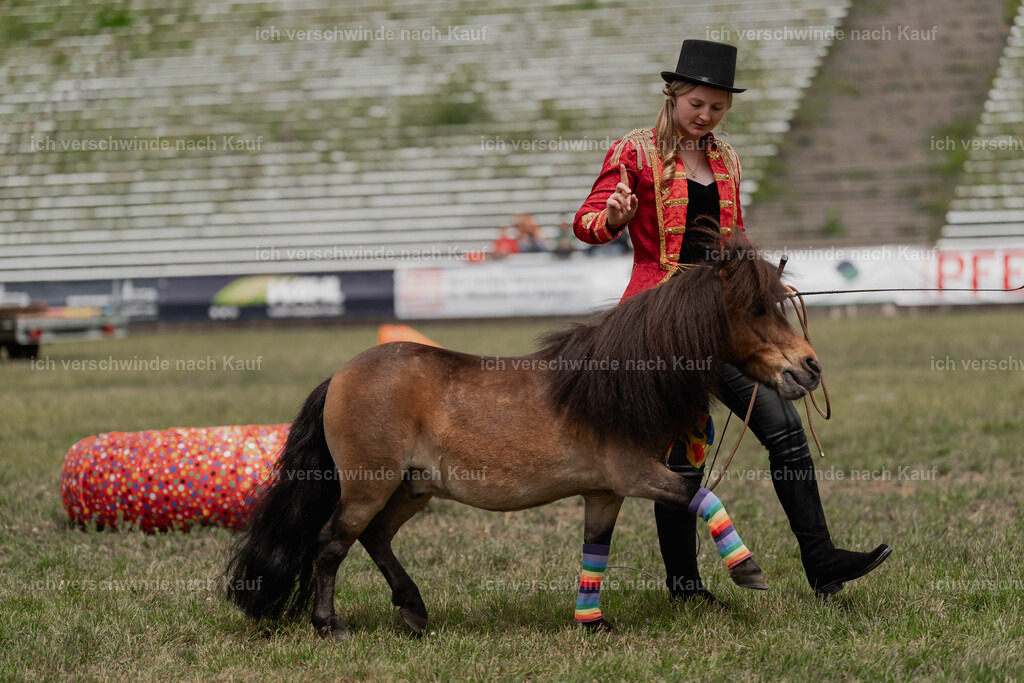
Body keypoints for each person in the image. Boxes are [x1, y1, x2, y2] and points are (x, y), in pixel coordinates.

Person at [573, 39, 891, 606]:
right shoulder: (633, 152)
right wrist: (613, 217)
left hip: (723, 323)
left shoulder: (728, 160)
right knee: (683, 451)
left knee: (785, 430)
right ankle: (685, 586)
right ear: (672, 96)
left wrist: (760, 283)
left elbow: (734, 241)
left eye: (718, 107)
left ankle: (821, 561)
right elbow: (585, 223)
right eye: (697, 103)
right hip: (658, 326)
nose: (707, 115)